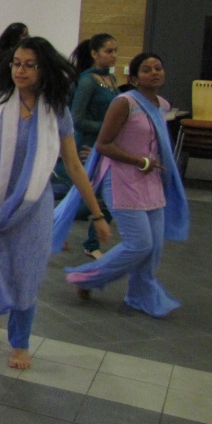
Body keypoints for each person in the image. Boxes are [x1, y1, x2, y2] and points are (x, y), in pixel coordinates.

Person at [0, 36, 109, 370]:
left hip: (34, 206)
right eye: (16, 63)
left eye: (30, 65)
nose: (21, 71)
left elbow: (73, 165)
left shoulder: (56, 111)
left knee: (26, 272)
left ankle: (20, 342)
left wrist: (97, 214)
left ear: (43, 69)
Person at [59, 53, 188, 317]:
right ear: (134, 77)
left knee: (154, 247)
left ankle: (140, 294)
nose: (154, 73)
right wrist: (139, 161)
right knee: (139, 243)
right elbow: (104, 144)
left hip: (151, 181)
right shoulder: (124, 103)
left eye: (158, 68)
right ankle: (86, 278)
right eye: (147, 69)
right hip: (122, 179)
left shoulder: (162, 105)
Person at [68, 33, 120, 257]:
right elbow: (76, 119)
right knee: (81, 201)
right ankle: (47, 226)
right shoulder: (87, 81)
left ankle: (91, 243)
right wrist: (107, 127)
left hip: (105, 146)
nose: (113, 56)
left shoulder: (111, 80)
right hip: (88, 146)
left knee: (109, 196)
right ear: (94, 54)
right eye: (109, 51)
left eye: (115, 51)